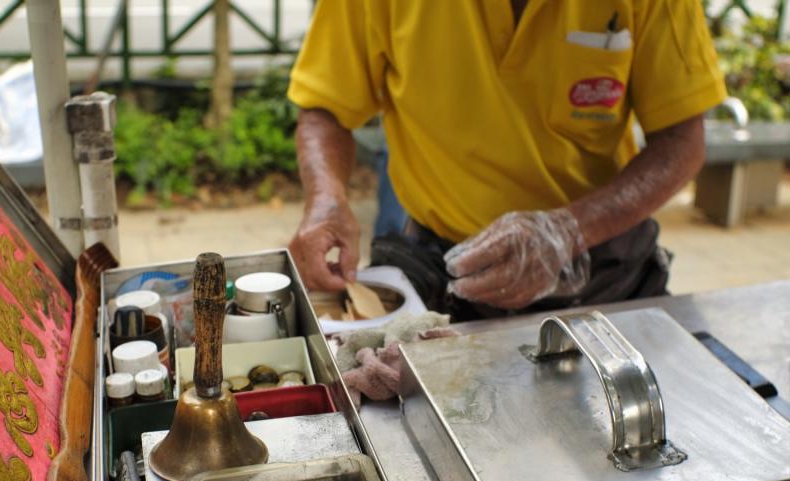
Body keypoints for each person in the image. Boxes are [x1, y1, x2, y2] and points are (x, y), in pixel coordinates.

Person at [286, 1, 727, 320]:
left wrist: (566, 230)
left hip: (603, 277)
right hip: (443, 277)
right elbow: (325, 108)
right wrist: (326, 199)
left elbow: (682, 140)